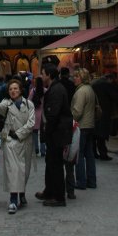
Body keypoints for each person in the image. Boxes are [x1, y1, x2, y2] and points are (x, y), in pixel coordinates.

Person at [0, 77, 35, 214]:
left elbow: (31, 123)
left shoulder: (29, 104)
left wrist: (19, 133)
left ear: (21, 90)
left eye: (15, 88)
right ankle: (13, 200)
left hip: (25, 141)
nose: (13, 91)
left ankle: (22, 193)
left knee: (24, 171)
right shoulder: (6, 104)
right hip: (10, 141)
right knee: (13, 171)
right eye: (10, 89)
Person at [34, 63, 73, 207]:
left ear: (49, 75)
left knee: (55, 165)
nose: (41, 76)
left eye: (43, 73)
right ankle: (49, 191)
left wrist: (47, 131)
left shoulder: (57, 89)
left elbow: (53, 114)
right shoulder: (54, 87)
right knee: (50, 163)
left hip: (57, 134)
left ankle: (58, 197)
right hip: (54, 133)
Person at [92, 72, 118, 160]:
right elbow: (115, 97)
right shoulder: (106, 85)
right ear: (110, 79)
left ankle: (94, 153)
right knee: (102, 135)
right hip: (103, 112)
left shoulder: (94, 84)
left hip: (94, 112)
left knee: (94, 134)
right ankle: (103, 154)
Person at [71, 68, 97, 190]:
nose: (74, 79)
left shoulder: (81, 91)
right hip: (90, 125)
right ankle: (92, 180)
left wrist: (70, 116)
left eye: (76, 76)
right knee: (89, 154)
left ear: (82, 78)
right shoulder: (90, 89)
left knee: (79, 154)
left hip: (82, 126)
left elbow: (77, 111)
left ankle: (81, 181)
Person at [58, 66, 76, 198]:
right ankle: (70, 191)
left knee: (60, 162)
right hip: (71, 123)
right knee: (70, 162)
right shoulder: (72, 85)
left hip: (61, 126)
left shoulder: (58, 87)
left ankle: (61, 190)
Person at [28, 76, 46, 157]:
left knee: (34, 132)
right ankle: (43, 150)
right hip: (43, 114)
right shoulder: (45, 90)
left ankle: (36, 148)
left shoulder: (33, 91)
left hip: (35, 113)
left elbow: (28, 101)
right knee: (43, 133)